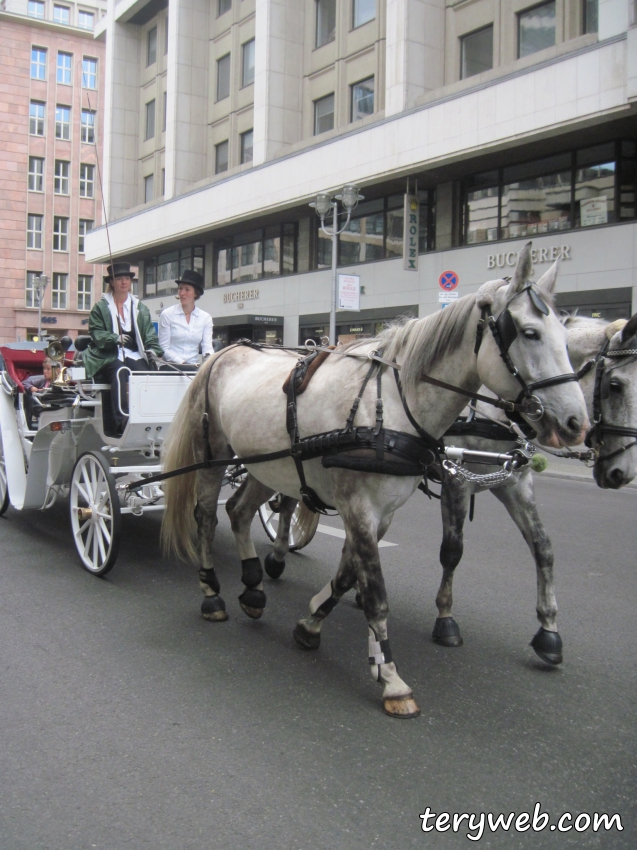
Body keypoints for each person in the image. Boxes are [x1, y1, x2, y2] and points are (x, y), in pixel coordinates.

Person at [83, 262, 164, 434]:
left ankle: (148, 416)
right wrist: (114, 338)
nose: (124, 282)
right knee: (120, 372)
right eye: (119, 279)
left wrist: (153, 350)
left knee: (145, 373)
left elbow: (149, 334)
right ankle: (122, 419)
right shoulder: (101, 307)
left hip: (133, 353)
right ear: (112, 282)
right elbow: (96, 333)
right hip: (109, 354)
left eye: (127, 278)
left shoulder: (139, 308)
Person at [158, 269, 213, 369]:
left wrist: (209, 361)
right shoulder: (167, 314)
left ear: (195, 293)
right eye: (180, 289)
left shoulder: (205, 318)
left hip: (193, 367)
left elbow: (207, 347)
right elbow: (163, 348)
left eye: (187, 289)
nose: (182, 293)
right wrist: (182, 363)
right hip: (171, 366)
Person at [22, 357, 54, 430]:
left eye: (48, 369)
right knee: (27, 395)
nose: (45, 371)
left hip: (50, 407)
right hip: (40, 406)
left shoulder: (59, 382)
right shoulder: (42, 381)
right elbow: (24, 382)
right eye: (44, 369)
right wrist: (31, 387)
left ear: (57, 370)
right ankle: (28, 424)